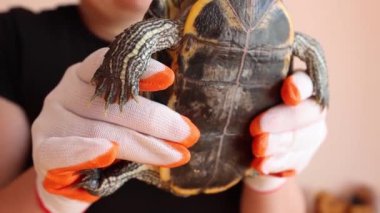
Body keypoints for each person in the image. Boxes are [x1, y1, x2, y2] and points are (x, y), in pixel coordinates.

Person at [0, 0, 327, 212]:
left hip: (239, 159)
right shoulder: (14, 38)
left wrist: (273, 173)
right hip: (158, 168)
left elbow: (309, 48)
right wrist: (51, 196)